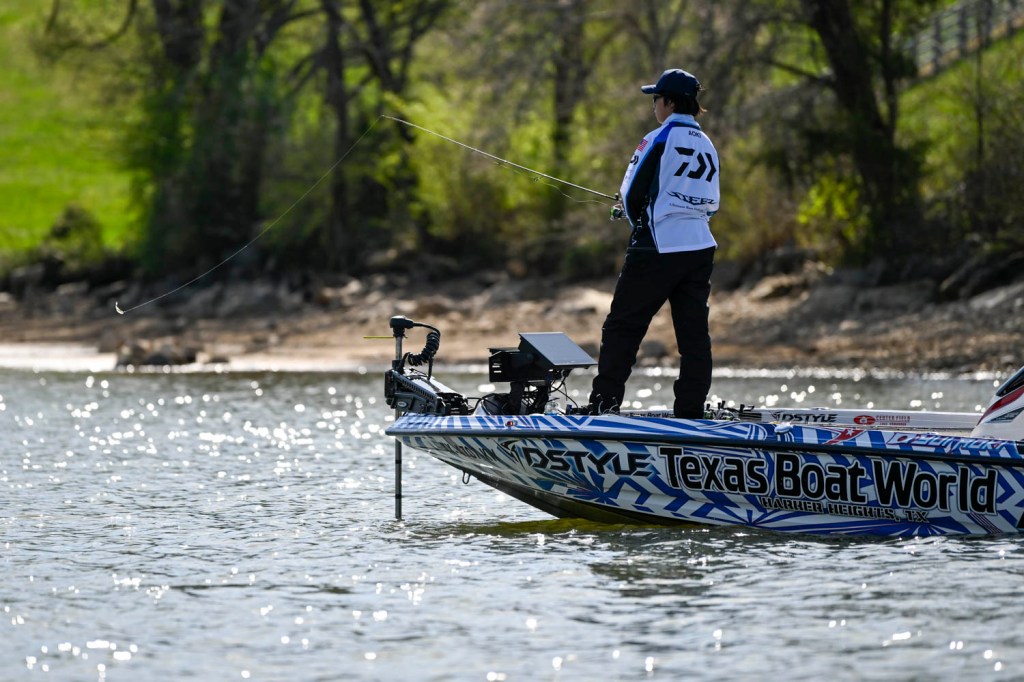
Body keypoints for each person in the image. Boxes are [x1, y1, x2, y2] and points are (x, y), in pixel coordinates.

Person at [588, 68, 720, 419]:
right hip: (700, 245)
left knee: (623, 327)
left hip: (658, 245)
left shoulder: (657, 138)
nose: (653, 106)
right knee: (694, 336)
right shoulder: (707, 144)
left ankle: (603, 405)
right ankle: (690, 411)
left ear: (670, 102)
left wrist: (637, 222)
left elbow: (631, 194)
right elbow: (710, 202)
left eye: (656, 99)